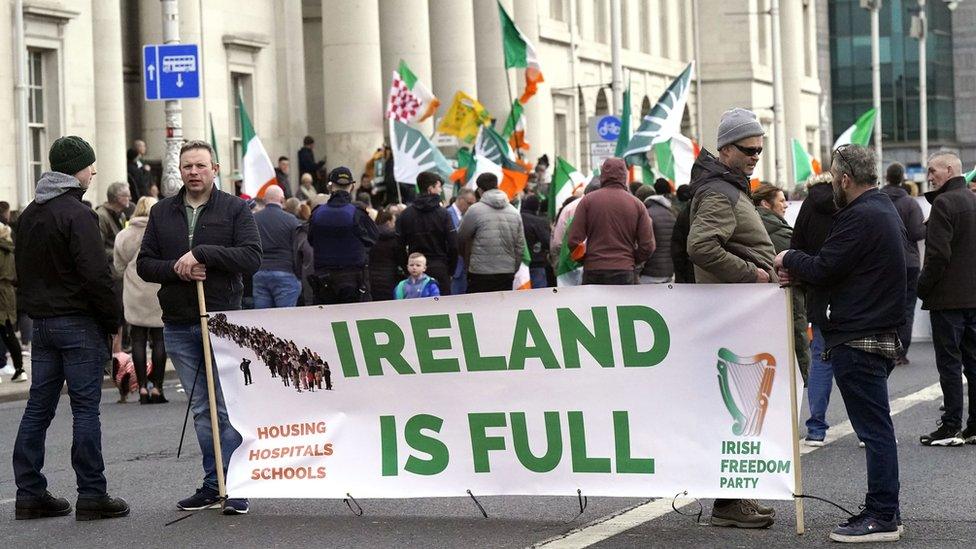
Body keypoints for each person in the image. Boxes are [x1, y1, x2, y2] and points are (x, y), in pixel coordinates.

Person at [776, 144, 905, 542]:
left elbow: (825, 265)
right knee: (876, 427)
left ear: (845, 180)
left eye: (834, 177)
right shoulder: (882, 209)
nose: (833, 183)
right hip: (873, 330)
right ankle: (884, 510)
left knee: (875, 429)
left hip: (859, 335)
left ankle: (883, 515)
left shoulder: (860, 215)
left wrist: (787, 259)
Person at [137, 139, 261, 515]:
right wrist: (178, 267)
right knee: (202, 411)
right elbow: (145, 264)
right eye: (188, 166)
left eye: (200, 166)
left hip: (221, 320)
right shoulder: (162, 212)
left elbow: (251, 258)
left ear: (215, 169)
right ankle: (213, 482)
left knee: (226, 408)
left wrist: (205, 253)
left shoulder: (236, 210)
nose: (194, 172)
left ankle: (235, 483)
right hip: (178, 322)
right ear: (181, 170)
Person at [12, 135, 129, 521]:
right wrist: (112, 321)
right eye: (89, 165)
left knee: (37, 410)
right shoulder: (78, 214)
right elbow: (97, 275)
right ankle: (92, 494)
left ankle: (29, 492)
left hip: (41, 324)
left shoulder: (29, 214)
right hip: (78, 323)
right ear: (75, 170)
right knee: (85, 411)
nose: (94, 172)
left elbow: (22, 273)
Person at [687, 108, 776, 529]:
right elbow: (702, 247)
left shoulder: (727, 186)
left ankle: (734, 497)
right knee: (737, 410)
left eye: (759, 149)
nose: (756, 155)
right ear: (726, 149)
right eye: (749, 149)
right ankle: (728, 501)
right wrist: (754, 273)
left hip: (738, 308)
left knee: (742, 408)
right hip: (732, 310)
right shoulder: (720, 191)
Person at [916, 151, 976, 446]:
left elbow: (938, 255)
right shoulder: (972, 200)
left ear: (949, 170)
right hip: (973, 298)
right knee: (974, 363)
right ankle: (974, 425)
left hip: (947, 299)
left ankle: (951, 425)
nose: (929, 176)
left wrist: (922, 288)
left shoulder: (943, 203)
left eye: (933, 171)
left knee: (949, 364)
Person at [791, 172, 839, 446]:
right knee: (856, 362)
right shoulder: (849, 202)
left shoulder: (808, 206)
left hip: (819, 291)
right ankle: (866, 429)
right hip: (851, 293)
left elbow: (796, 247)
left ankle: (816, 429)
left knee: (821, 359)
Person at [752, 184, 810, 383]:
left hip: (767, 293)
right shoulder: (775, 228)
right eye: (781, 201)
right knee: (796, 337)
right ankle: (803, 379)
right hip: (786, 291)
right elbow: (799, 257)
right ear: (766, 204)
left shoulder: (758, 222)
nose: (785, 205)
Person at [113, 196, 168, 404]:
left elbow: (118, 267)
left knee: (137, 339)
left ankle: (143, 387)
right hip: (157, 291)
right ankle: (158, 387)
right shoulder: (161, 232)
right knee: (159, 340)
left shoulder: (125, 234)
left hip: (135, 292)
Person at [568, 157, 654, 285]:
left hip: (594, 269)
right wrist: (631, 259)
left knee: (595, 305)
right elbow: (647, 246)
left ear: (603, 175)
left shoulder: (587, 201)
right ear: (624, 176)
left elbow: (573, 240)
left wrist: (586, 259)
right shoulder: (637, 204)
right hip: (625, 270)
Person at [307, 167, 379, 304]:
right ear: (352, 186)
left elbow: (311, 240)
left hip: (324, 280)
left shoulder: (317, 213)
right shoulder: (357, 213)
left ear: (330, 186)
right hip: (352, 280)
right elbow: (373, 238)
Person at [879, 163, 926, 366]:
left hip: (881, 262)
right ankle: (900, 351)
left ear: (887, 177)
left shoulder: (877, 201)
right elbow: (917, 233)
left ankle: (883, 348)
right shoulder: (910, 204)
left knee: (882, 305)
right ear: (903, 178)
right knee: (907, 307)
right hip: (908, 262)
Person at [457, 173, 525, 293]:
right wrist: (513, 268)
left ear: (479, 190)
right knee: (501, 309)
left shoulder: (474, 210)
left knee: (478, 308)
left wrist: (468, 262)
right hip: (506, 272)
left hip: (480, 272)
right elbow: (520, 246)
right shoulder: (514, 212)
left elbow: (461, 237)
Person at [395, 172, 457, 294]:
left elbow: (399, 246)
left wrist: (408, 267)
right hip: (440, 268)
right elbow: (453, 245)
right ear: (430, 189)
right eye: (439, 187)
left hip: (416, 270)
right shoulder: (443, 214)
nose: (440, 191)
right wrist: (450, 270)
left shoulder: (406, 215)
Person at [252, 186, 305, 309]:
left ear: (265, 200)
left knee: (263, 322)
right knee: (285, 321)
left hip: (260, 272)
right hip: (285, 272)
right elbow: (297, 248)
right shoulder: (291, 220)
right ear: (282, 199)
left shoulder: (254, 219)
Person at [0, 224, 26, 383]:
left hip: (2, 291)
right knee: (8, 331)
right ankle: (19, 368)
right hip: (9, 292)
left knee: (5, 331)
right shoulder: (10, 250)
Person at [640, 189, 676, 283]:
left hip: (650, 271)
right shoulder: (672, 215)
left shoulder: (647, 214)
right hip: (668, 270)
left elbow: (646, 245)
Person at [447, 189, 477, 295]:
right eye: (469, 203)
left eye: (473, 204)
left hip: (466, 267)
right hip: (454, 268)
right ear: (460, 199)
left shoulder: (469, 216)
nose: (470, 207)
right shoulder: (447, 214)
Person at [369, 209, 403, 301]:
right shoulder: (394, 239)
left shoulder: (370, 236)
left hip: (371, 278)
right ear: (389, 222)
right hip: (390, 277)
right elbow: (401, 259)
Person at [95, 182, 131, 265]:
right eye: (127, 195)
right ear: (118, 198)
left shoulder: (121, 215)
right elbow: (98, 248)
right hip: (110, 267)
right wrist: (120, 254)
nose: (130, 198)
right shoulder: (101, 216)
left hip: (120, 263)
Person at [520, 194, 551, 289]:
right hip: (536, 262)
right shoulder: (539, 222)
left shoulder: (516, 218)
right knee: (539, 296)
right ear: (537, 207)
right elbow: (547, 241)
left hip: (518, 264)